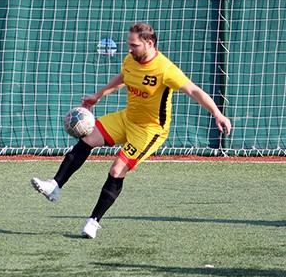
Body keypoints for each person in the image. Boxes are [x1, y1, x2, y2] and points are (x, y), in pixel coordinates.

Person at [31, 23, 232, 239]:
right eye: (128, 44)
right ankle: (55, 185)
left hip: (149, 130)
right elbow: (122, 78)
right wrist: (98, 95)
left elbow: (193, 90)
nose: (129, 49)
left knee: (116, 171)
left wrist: (217, 114)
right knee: (87, 138)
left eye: (134, 45)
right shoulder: (131, 60)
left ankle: (93, 222)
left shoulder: (165, 70)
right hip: (127, 118)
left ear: (149, 43)